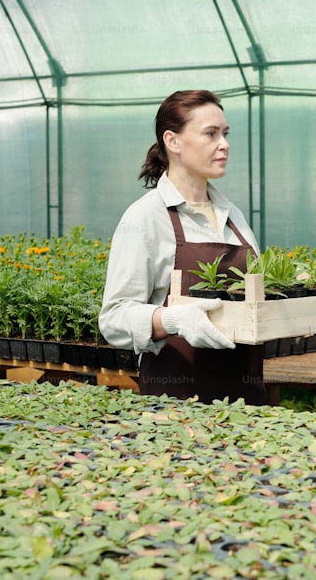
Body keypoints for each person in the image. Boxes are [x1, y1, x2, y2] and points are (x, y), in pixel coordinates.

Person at [99, 89, 267, 404]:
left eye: (225, 133)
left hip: (247, 405)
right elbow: (114, 319)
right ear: (173, 141)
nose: (225, 144)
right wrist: (174, 320)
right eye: (211, 134)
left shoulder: (233, 216)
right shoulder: (145, 218)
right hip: (175, 410)